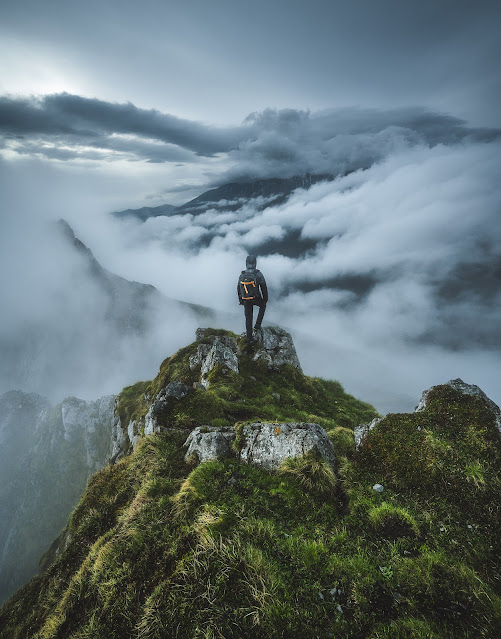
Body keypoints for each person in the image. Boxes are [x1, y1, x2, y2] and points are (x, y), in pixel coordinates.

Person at [237, 255, 268, 345]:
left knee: (248, 317)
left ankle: (249, 339)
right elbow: (263, 287)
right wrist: (265, 299)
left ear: (246, 263)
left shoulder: (242, 274)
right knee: (263, 306)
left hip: (246, 299)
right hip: (256, 298)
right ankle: (257, 325)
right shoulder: (258, 274)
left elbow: (239, 288)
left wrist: (241, 300)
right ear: (255, 263)